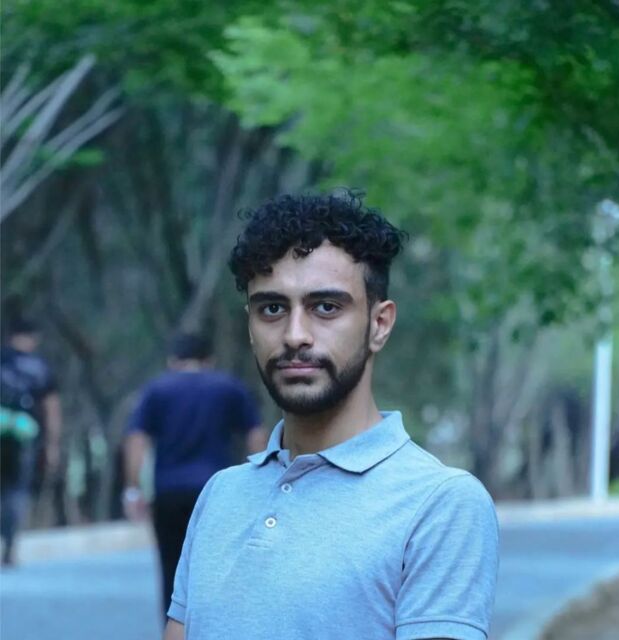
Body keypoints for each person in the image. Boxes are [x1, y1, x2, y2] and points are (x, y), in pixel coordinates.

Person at [164, 193, 500, 640]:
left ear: (379, 325)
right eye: (272, 308)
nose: (294, 335)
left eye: (325, 307)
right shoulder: (220, 495)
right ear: (250, 325)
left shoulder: (440, 503)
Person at [123, 332, 265, 614]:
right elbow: (256, 433)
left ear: (172, 360)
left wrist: (133, 488)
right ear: (209, 359)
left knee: (171, 566)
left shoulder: (157, 390)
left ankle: (174, 627)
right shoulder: (228, 387)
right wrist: (259, 477)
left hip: (169, 492)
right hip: (216, 492)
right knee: (216, 566)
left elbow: (136, 440)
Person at [1, 318, 62, 566]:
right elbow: (51, 407)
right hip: (24, 437)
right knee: (17, 492)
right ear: (32, 338)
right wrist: (52, 445)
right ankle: (9, 547)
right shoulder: (39, 367)